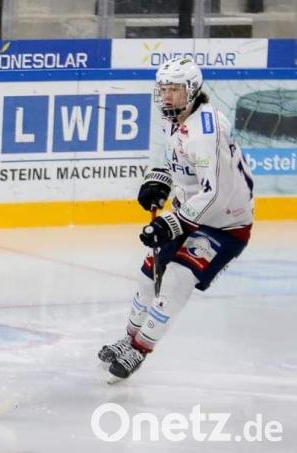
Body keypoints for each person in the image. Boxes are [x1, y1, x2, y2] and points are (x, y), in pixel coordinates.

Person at [98, 57, 254, 380]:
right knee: (148, 275)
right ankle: (128, 339)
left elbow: (216, 193)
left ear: (192, 91)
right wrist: (160, 180)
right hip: (192, 211)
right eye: (164, 89)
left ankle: (140, 349)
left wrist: (175, 222)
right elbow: (180, 162)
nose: (167, 96)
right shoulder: (175, 119)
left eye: (175, 89)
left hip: (226, 225)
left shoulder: (205, 131)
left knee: (177, 279)